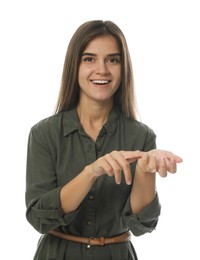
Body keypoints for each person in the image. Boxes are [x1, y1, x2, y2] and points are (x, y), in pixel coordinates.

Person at [25, 20, 183, 260]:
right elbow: (39, 218)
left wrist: (144, 171)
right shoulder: (44, 134)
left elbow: (143, 225)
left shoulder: (142, 136)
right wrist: (91, 172)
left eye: (113, 60)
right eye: (89, 59)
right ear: (74, 66)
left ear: (124, 67)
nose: (102, 70)